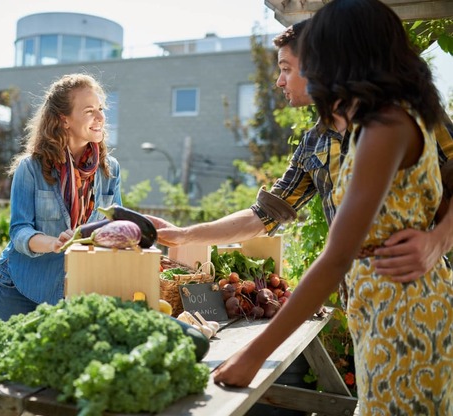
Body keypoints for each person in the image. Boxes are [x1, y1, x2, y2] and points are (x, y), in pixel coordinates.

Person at [212, 0, 453, 414]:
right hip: (385, 305)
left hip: (404, 313)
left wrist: (254, 355)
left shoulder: (384, 125)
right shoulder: (379, 121)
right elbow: (272, 213)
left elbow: (337, 256)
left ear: (345, 55)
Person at [147, 19, 453, 284]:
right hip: (361, 296)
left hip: (426, 289)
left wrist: (437, 242)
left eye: (286, 69)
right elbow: (263, 215)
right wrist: (185, 234)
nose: (279, 81)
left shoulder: (406, 119)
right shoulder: (313, 144)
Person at [0, 73, 122, 320]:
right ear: (64, 120)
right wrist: (53, 243)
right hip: (21, 289)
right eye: (89, 111)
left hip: (77, 289)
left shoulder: (109, 170)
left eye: (101, 109)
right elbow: (19, 231)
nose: (101, 117)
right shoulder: (30, 168)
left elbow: (116, 225)